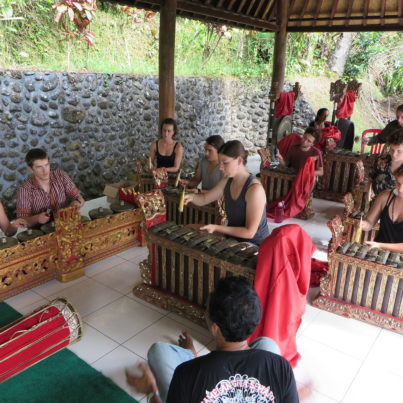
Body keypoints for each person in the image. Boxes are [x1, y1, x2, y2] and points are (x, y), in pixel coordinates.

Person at [126, 276, 299, 403]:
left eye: (206, 309)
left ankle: (190, 355)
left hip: (196, 375)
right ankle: (193, 355)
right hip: (232, 366)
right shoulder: (281, 367)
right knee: (267, 343)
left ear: (214, 327)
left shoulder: (186, 374)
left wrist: (153, 392)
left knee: (158, 351)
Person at [184, 140, 269, 246]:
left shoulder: (255, 190)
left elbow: (250, 232)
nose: (220, 167)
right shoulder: (227, 181)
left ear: (239, 161)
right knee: (189, 228)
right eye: (220, 163)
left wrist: (217, 228)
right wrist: (191, 197)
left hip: (254, 244)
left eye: (225, 163)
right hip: (233, 237)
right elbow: (205, 199)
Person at [17, 148, 85, 227]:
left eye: (46, 165)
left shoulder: (61, 175)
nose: (45, 170)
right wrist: (37, 218)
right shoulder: (24, 189)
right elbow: (22, 221)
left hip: (66, 226)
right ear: (31, 169)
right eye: (39, 167)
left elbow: (79, 198)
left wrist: (77, 203)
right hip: (40, 233)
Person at [362, 164, 403, 252]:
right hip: (378, 253)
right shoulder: (385, 197)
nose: (400, 189)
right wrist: (362, 224)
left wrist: (380, 245)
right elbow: (369, 223)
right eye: (398, 183)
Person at [370, 127, 403, 198]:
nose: (394, 154)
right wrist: (370, 191)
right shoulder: (383, 160)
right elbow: (371, 177)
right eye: (392, 149)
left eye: (399, 151)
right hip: (376, 200)